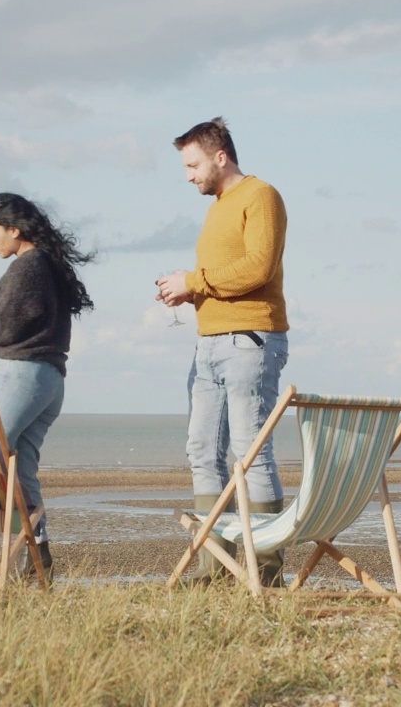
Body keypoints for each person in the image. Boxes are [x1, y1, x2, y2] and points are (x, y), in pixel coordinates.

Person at [156, 117, 290, 587]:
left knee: (250, 452)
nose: (188, 175)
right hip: (209, 342)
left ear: (220, 156)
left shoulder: (261, 196)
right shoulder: (217, 207)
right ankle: (218, 570)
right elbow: (223, 276)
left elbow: (258, 267)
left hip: (249, 340)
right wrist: (189, 291)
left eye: (192, 165)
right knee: (201, 451)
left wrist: (193, 281)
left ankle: (266, 571)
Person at [0, 192, 94, 581]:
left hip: (21, 375)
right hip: (50, 380)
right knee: (23, 470)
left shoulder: (24, 268)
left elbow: (2, 334)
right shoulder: (47, 265)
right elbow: (21, 321)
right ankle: (36, 564)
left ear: (13, 229)